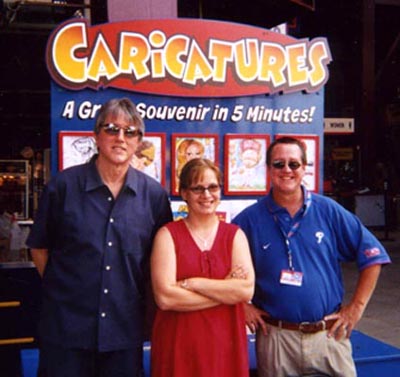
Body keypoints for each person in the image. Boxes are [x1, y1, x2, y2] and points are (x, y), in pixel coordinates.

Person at [26, 98, 173, 377]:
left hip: (124, 333)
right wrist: (67, 290)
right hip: (65, 332)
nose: (120, 138)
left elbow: (158, 262)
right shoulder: (62, 187)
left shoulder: (154, 196)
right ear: (96, 136)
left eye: (130, 132)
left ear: (139, 141)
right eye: (111, 129)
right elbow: (39, 247)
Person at [232, 136, 391, 377]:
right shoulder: (249, 219)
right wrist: (242, 306)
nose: (287, 170)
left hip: (329, 336)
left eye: (294, 164)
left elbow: (373, 256)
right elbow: (221, 268)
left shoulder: (328, 210)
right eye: (278, 164)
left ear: (304, 168)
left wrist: (356, 308)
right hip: (277, 340)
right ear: (268, 169)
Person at [150, 158, 255, 377]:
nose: (207, 195)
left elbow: (245, 291)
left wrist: (195, 284)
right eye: (198, 188)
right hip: (179, 346)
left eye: (213, 187)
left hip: (225, 346)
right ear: (184, 193)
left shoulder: (235, 235)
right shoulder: (167, 235)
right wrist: (225, 290)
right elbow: (166, 298)